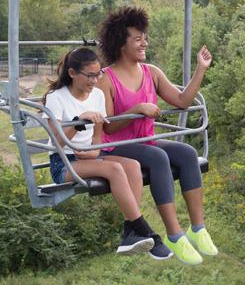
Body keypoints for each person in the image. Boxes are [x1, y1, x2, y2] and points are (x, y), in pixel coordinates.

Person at [96, 7, 218, 265]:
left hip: (144, 141)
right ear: (121, 43)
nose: (144, 43)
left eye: (145, 38)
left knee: (186, 153)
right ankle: (174, 234)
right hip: (116, 146)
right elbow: (108, 127)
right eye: (137, 39)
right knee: (157, 157)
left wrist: (201, 69)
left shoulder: (151, 72)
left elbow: (182, 101)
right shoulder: (105, 79)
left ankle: (198, 228)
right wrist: (137, 110)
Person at [42, 47, 164, 256]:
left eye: (97, 74)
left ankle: (130, 231)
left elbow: (98, 138)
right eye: (89, 75)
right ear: (72, 73)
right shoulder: (57, 97)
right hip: (64, 162)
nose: (94, 80)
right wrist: (78, 122)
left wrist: (92, 151)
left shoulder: (97, 95)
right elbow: (56, 143)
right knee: (115, 169)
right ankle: (145, 232)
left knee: (133, 166)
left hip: (89, 155)